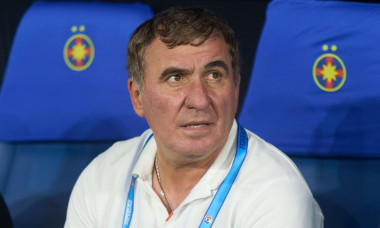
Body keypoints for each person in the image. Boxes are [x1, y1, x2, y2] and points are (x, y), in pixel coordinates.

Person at [65, 6, 323, 227]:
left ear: (235, 90)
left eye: (214, 75)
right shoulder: (102, 176)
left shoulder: (276, 193)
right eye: (175, 78)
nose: (200, 100)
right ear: (137, 96)